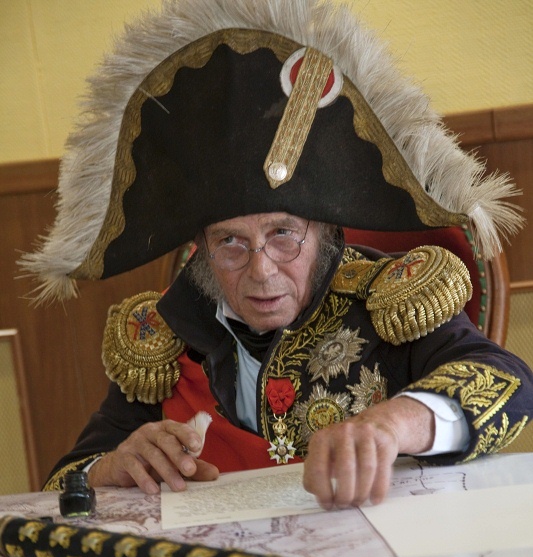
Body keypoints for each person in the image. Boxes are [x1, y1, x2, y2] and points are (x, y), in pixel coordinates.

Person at [20, 0, 533, 515]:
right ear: (200, 249)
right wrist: (111, 466)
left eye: (283, 234)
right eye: (230, 242)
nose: (261, 270)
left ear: (324, 231)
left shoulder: (387, 300)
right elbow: (65, 479)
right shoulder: (165, 333)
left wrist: (393, 424)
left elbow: (507, 383)